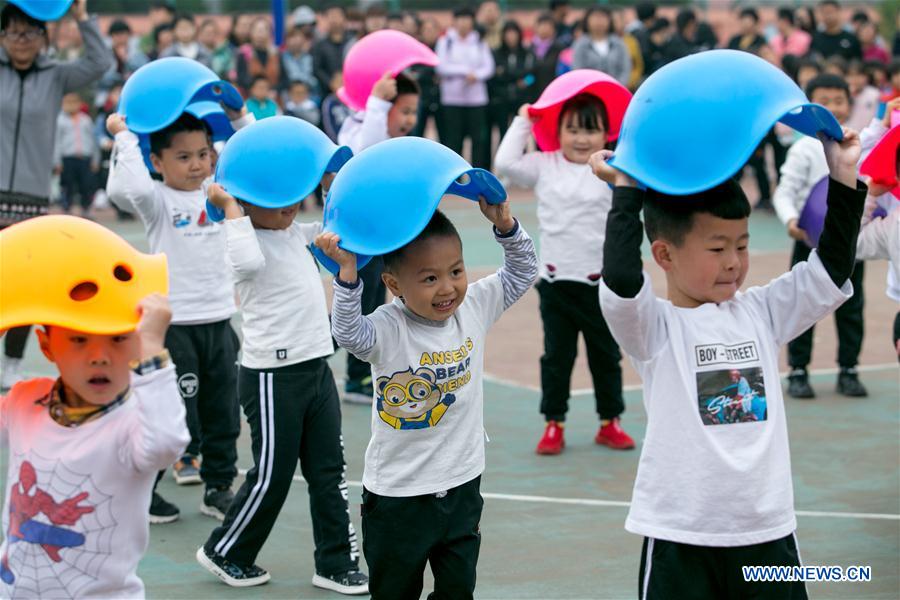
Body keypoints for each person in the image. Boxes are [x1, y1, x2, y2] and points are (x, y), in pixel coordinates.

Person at [591, 119, 866, 599]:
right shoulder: (654, 329)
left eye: (741, 245)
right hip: (680, 535)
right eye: (717, 248)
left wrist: (842, 177)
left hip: (766, 533)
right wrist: (626, 190)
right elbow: (619, 280)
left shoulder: (761, 311)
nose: (734, 261)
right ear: (664, 255)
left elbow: (830, 269)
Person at [316, 199, 537, 600]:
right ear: (395, 285)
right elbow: (349, 334)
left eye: (456, 271)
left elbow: (523, 272)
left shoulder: (474, 306)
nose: (448, 287)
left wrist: (506, 225)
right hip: (399, 496)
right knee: (395, 592)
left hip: (461, 484)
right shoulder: (389, 326)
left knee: (458, 591)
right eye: (429, 278)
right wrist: (347, 277)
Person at [195, 173, 368, 594]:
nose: (289, 205)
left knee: (330, 471)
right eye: (275, 199)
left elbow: (335, 230)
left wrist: (330, 182)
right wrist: (230, 208)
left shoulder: (293, 232)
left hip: (316, 368)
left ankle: (336, 562)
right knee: (272, 473)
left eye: (292, 194)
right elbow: (248, 263)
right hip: (273, 377)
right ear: (246, 205)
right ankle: (226, 551)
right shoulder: (239, 239)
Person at [0, 217, 189, 598]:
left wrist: (153, 348)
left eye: (119, 339)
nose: (99, 356)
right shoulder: (25, 399)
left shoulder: (132, 423)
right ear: (48, 346)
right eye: (79, 339)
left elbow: (168, 442)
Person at [106, 106, 254, 523]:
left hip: (220, 323)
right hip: (173, 328)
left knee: (223, 412)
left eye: (204, 154)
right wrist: (125, 137)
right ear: (159, 162)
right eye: (184, 157)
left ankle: (218, 486)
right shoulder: (156, 200)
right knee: (172, 413)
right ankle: (145, 492)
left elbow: (255, 155)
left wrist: (240, 117)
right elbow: (128, 188)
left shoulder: (220, 193)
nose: (197, 164)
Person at [495, 93, 635, 455]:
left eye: (591, 130)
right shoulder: (545, 164)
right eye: (572, 129)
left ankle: (610, 422)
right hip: (556, 284)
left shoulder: (614, 168)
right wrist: (524, 117)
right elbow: (505, 162)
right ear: (558, 132)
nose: (581, 138)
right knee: (557, 359)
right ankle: (553, 424)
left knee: (605, 356)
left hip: (600, 284)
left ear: (607, 133)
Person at [0, 0, 111, 392]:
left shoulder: (56, 75)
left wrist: (82, 17)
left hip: (31, 196)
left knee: (23, 285)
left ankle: (11, 364)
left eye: (31, 32)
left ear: (44, 36)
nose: (22, 40)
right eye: (14, 31)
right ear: (2, 36)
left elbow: (100, 63)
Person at [771, 74, 868, 398]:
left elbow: (864, 191)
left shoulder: (858, 144)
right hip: (809, 243)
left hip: (848, 242)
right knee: (803, 306)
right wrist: (790, 221)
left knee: (852, 308)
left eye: (838, 100)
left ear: (849, 104)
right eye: (823, 101)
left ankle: (849, 370)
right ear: (810, 108)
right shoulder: (803, 150)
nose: (832, 108)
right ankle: (798, 370)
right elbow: (784, 192)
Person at [337, 72, 421, 402]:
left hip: (385, 237)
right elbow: (363, 156)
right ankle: (344, 369)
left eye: (414, 112)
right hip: (357, 239)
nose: (409, 119)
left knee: (378, 302)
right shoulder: (359, 126)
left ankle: (365, 374)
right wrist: (376, 102)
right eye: (403, 110)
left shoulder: (396, 143)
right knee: (358, 306)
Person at [436, 7, 495, 170]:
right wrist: (464, 72)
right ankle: (455, 175)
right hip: (452, 99)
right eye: (460, 19)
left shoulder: (480, 42)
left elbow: (489, 67)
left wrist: (476, 75)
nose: (463, 23)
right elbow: (441, 66)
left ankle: (478, 175)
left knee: (478, 140)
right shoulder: (445, 42)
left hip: (476, 99)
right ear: (454, 21)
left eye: (467, 19)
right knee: (454, 140)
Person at [54, 92, 99, 215]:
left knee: (86, 185)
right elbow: (57, 141)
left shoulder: (86, 120)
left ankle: (86, 208)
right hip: (68, 157)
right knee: (67, 185)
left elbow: (93, 140)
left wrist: (95, 159)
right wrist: (57, 161)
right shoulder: (60, 120)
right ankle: (66, 208)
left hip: (85, 157)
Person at [488, 21, 534, 139]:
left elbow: (532, 76)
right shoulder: (497, 53)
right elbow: (495, 75)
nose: (511, 37)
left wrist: (525, 81)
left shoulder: (527, 53)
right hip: (502, 97)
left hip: (521, 97)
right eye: (508, 34)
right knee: (503, 132)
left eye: (513, 33)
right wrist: (517, 76)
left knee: (520, 133)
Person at [571, 7, 631, 86]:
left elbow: (625, 69)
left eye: (603, 17)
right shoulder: (580, 44)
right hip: (588, 91)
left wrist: (617, 86)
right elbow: (577, 70)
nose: (599, 21)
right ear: (587, 20)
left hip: (616, 90)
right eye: (595, 17)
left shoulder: (618, 44)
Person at [312, 4, 355, 100]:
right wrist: (331, 83)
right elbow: (317, 69)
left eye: (337, 16)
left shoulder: (353, 42)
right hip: (327, 94)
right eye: (330, 16)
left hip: (352, 90)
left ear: (344, 18)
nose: (334, 19)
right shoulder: (319, 45)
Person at [410, 17, 442, 139]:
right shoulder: (416, 49)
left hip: (440, 98)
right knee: (417, 134)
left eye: (432, 29)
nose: (429, 32)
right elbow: (414, 72)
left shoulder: (443, 47)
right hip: (421, 97)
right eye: (426, 29)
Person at [236, 17, 279, 93]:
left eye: (263, 30)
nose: (260, 33)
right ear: (251, 33)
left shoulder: (276, 54)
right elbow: (241, 79)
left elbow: (284, 80)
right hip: (249, 97)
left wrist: (273, 90)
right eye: (257, 30)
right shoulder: (243, 53)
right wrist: (258, 90)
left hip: (273, 97)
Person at [530, 12, 565, 99]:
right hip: (532, 93)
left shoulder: (560, 48)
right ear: (536, 27)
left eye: (548, 26)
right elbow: (528, 74)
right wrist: (527, 81)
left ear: (554, 29)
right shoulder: (529, 48)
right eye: (542, 25)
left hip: (554, 92)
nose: (545, 28)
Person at [280, 26, 318, 99]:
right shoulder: (281, 58)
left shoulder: (309, 57)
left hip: (309, 94)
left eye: (297, 37)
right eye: (291, 38)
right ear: (286, 41)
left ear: (303, 39)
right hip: (289, 96)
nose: (294, 41)